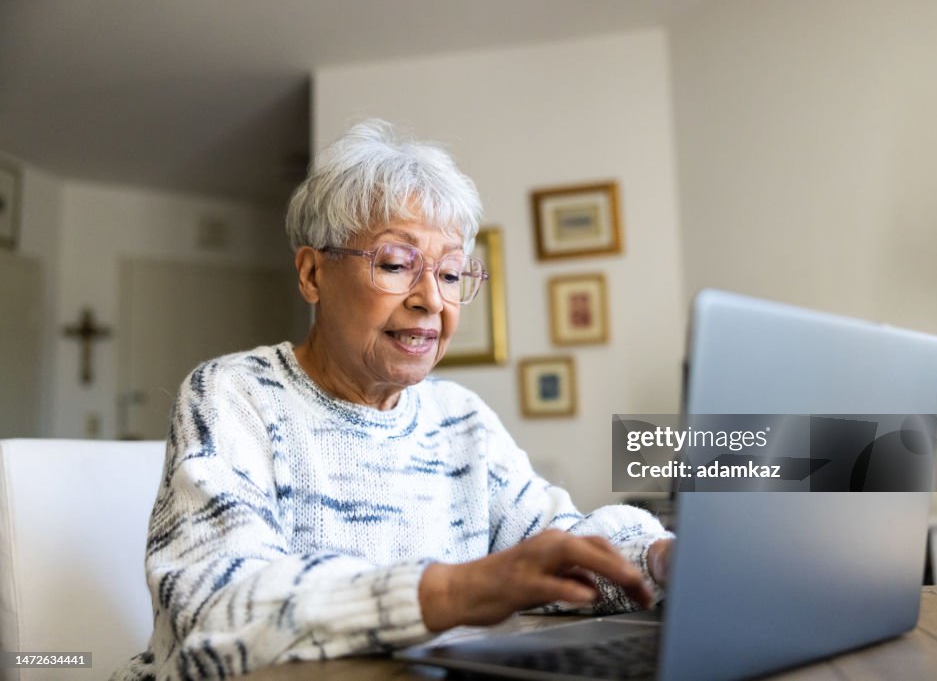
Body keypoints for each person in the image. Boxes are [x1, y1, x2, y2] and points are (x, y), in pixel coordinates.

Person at [114, 119, 674, 680]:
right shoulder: (235, 395)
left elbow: (559, 544)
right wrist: (449, 591)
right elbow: (216, 607)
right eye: (395, 265)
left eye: (451, 273)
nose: (431, 299)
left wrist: (658, 559)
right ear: (312, 274)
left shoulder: (460, 418)